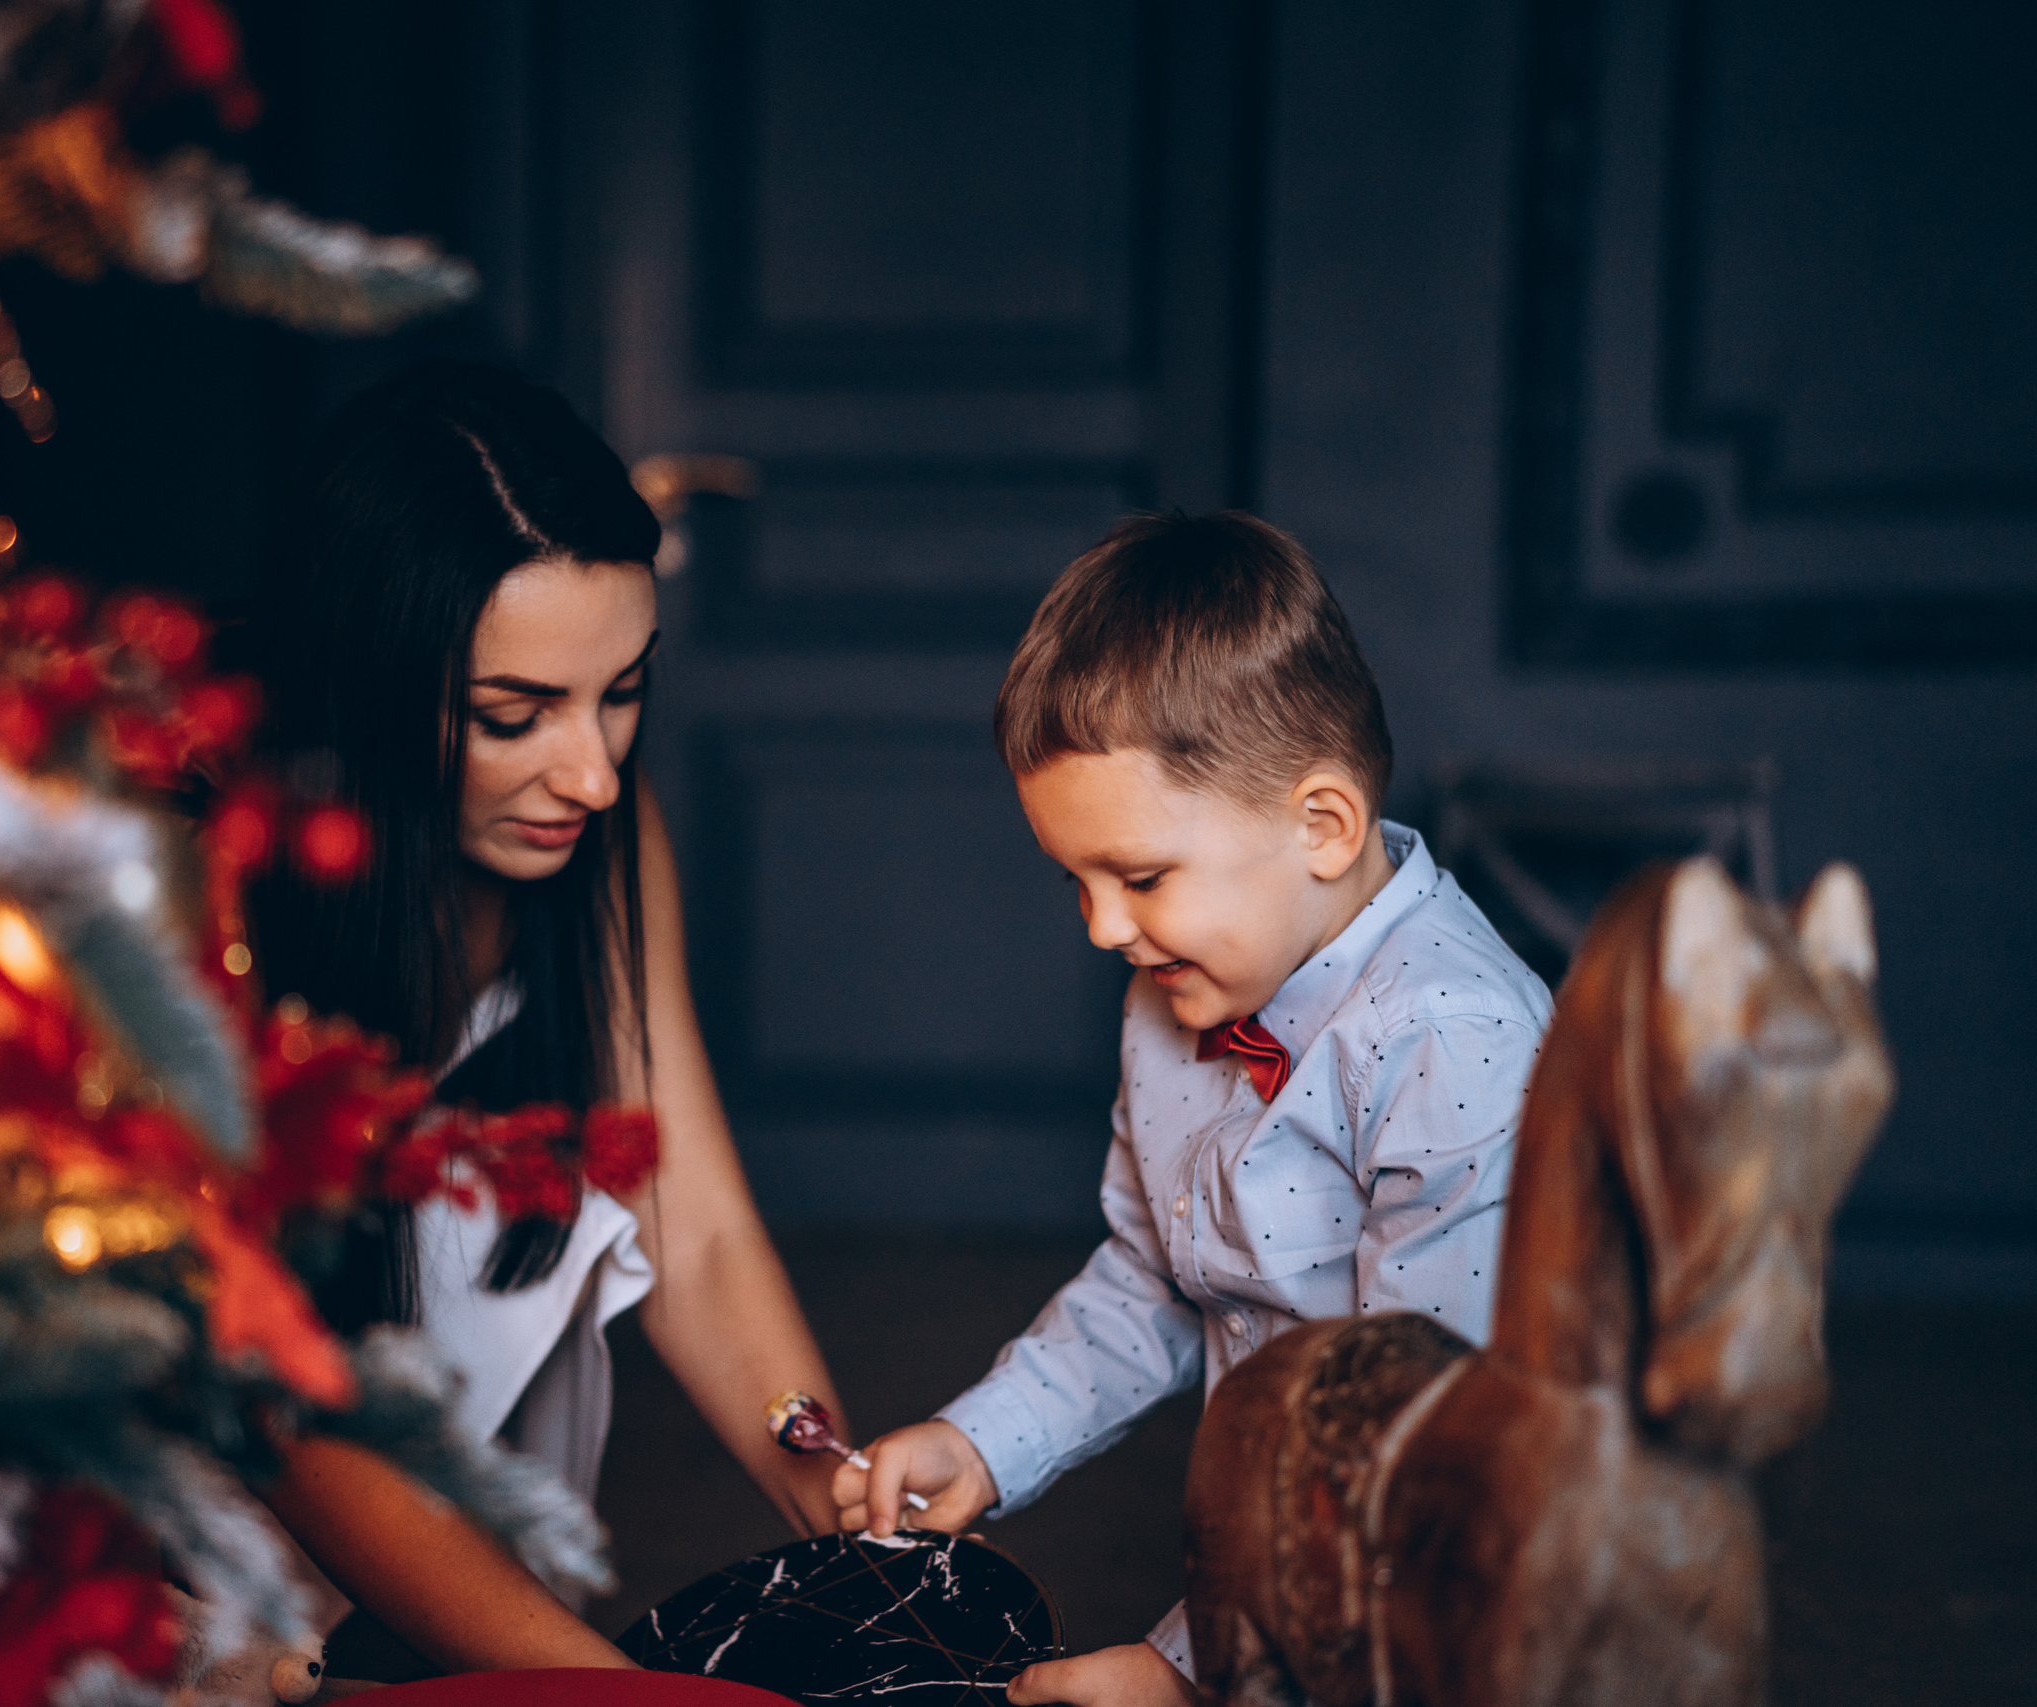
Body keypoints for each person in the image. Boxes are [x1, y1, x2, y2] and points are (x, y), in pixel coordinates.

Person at [833, 512, 1554, 1707]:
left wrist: (1187, 1673)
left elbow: (1411, 1456)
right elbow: (1155, 1282)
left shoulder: (1452, 1042)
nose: (1103, 930)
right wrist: (984, 1441)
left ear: (1320, 826)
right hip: (1267, 1607)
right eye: (1076, 880)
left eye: (1142, 878)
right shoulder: (1174, 990)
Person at [242, 360, 847, 1676]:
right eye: (516, 715)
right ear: (368, 691)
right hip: (200, 1584)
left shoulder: (608, 849)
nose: (594, 771)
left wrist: (843, 1499)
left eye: (623, 690)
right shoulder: (203, 895)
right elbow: (272, 1401)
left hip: (466, 1585)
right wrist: (603, 1689)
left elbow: (696, 1231)